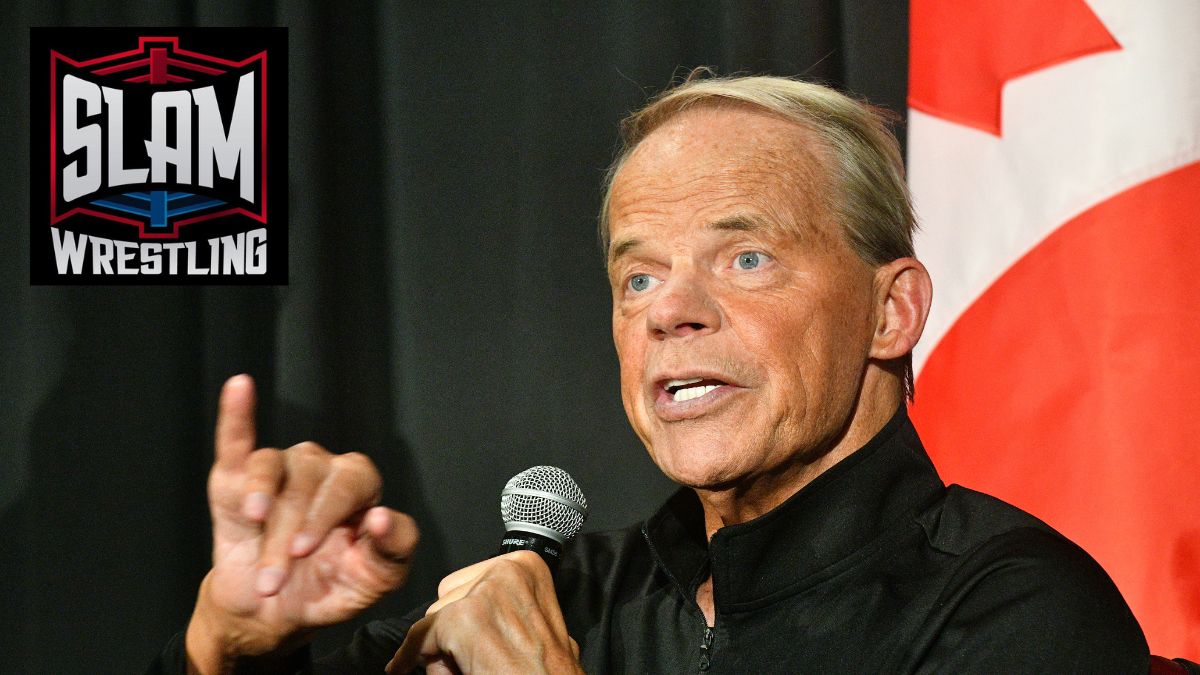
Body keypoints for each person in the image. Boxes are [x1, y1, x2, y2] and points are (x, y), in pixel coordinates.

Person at [153, 74, 1151, 674]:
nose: (672, 309)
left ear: (892, 311)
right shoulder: (571, 594)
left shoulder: (1017, 613)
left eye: (745, 257)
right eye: (637, 276)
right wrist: (232, 640)